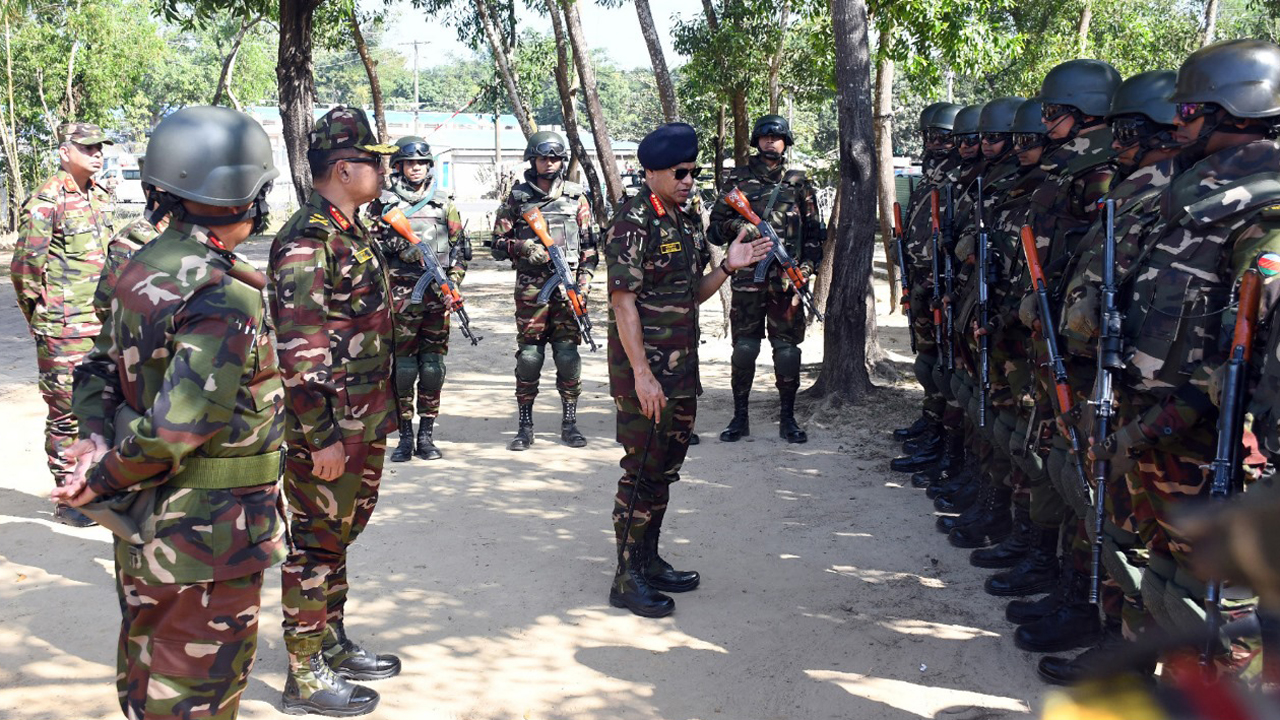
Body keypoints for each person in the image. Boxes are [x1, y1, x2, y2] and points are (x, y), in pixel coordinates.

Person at [55, 105, 286, 720]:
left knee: (148, 679)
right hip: (206, 538)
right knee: (191, 697)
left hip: (152, 526)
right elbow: (175, 429)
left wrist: (94, 438)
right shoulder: (221, 293)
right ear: (250, 195)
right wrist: (98, 478)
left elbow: (97, 367)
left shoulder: (145, 264)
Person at [1105, 39, 1280, 680]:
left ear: (1234, 112)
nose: (1175, 124)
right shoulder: (1195, 197)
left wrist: (1156, 424)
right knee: (1157, 579)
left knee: (1218, 615)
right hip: (1160, 436)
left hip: (1213, 452)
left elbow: (1247, 365)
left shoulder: (1263, 216)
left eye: (1187, 112)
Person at [604, 122, 771, 618]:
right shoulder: (633, 220)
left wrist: (729, 267)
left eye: (692, 172)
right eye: (680, 172)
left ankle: (648, 561)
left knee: (665, 470)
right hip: (647, 375)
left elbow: (691, 294)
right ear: (652, 172)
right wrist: (641, 374)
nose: (688, 180)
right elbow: (623, 302)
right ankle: (626, 577)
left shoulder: (684, 219)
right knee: (641, 471)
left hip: (680, 371)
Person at [269, 106, 400, 716]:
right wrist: (320, 435)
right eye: (374, 160)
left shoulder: (350, 228)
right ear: (344, 169)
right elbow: (300, 349)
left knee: (341, 535)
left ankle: (330, 640)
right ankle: (303, 673)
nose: (383, 169)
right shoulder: (308, 239)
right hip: (329, 427)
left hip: (363, 419)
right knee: (316, 545)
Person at [12, 121, 116, 527]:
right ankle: (69, 497)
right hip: (63, 329)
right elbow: (25, 269)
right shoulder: (46, 201)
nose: (97, 153)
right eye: (87, 147)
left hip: (103, 325)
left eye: (99, 147)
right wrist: (41, 317)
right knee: (66, 414)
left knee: (102, 408)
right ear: (64, 151)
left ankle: (98, 487)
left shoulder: (101, 197)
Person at [708, 114, 825, 444]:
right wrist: (739, 226)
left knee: (787, 352)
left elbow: (815, 234)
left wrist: (805, 270)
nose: (771, 141)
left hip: (786, 286)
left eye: (777, 137)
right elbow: (715, 230)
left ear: (786, 143)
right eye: (765, 136)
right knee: (744, 350)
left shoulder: (799, 182)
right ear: (756, 141)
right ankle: (740, 417)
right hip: (747, 281)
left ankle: (788, 418)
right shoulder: (737, 179)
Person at [491, 130, 598, 451]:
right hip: (531, 292)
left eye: (554, 158)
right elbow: (497, 244)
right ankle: (525, 426)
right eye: (543, 158)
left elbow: (590, 249)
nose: (549, 163)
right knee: (529, 357)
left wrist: (582, 287)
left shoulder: (577, 198)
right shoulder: (518, 198)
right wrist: (523, 247)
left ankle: (570, 423)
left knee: (568, 356)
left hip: (568, 292)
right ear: (532, 160)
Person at [369, 136, 468, 462]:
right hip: (400, 300)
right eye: (410, 163)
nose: (416, 168)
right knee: (404, 368)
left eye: (422, 163)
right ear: (399, 166)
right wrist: (400, 247)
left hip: (437, 299)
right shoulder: (384, 203)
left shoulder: (444, 203)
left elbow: (459, 249)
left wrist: (453, 285)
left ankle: (426, 435)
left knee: (432, 368)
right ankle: (404, 436)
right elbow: (368, 243)